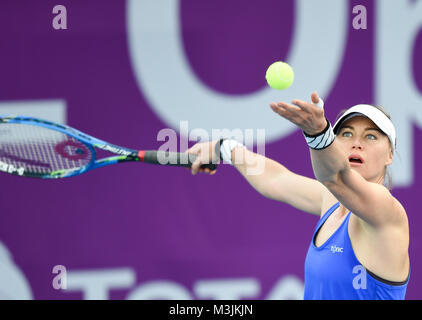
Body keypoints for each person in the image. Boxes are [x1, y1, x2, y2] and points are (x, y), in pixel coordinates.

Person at [186, 91, 410, 300]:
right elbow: (275, 180)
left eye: (371, 137)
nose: (357, 143)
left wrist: (318, 135)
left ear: (390, 154)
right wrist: (225, 148)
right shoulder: (331, 200)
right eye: (346, 133)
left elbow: (334, 177)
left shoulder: (386, 211)